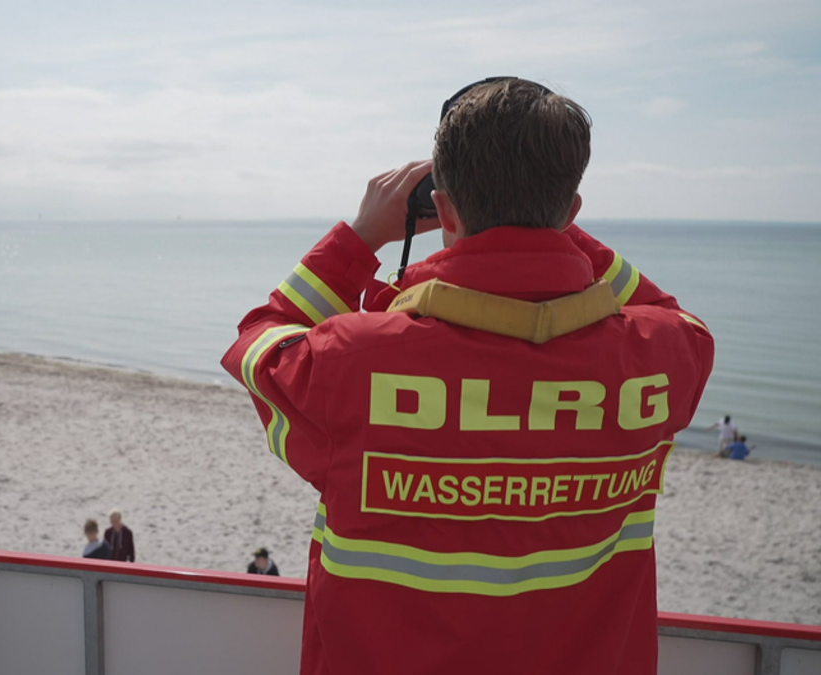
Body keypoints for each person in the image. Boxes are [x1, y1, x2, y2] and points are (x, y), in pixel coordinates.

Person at [221, 78, 715, 675]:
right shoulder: (662, 356)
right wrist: (547, 221)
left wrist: (358, 239)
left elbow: (261, 338)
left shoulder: (353, 361)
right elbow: (673, 315)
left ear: (444, 206)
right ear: (573, 210)